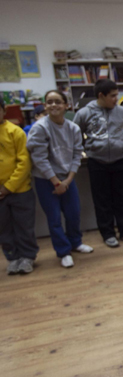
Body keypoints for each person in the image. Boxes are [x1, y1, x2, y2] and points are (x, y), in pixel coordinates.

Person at [26, 90, 94, 268]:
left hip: (67, 179)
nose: (53, 105)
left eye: (57, 101)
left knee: (73, 214)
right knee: (54, 218)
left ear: (66, 105)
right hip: (46, 180)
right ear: (45, 106)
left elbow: (76, 154)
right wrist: (56, 182)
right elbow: (39, 158)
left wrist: (68, 180)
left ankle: (76, 242)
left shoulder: (73, 128)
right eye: (49, 102)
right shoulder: (40, 128)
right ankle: (63, 251)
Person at [74, 79, 123, 248]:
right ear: (100, 95)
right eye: (112, 96)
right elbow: (75, 135)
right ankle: (108, 233)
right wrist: (85, 150)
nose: (115, 99)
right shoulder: (84, 113)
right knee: (102, 200)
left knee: (122, 198)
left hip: (121, 160)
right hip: (97, 162)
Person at [0, 98, 39, 274]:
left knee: (24, 227)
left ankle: (27, 257)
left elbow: (24, 163)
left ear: (4, 110)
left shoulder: (15, 132)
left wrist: (8, 187)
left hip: (20, 190)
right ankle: (13, 258)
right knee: (4, 228)